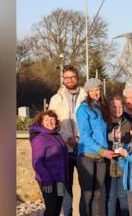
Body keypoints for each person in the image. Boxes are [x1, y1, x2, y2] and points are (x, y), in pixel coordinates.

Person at [48, 65, 87, 216]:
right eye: (67, 77)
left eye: (73, 77)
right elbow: (51, 123)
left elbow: (91, 122)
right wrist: (66, 139)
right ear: (63, 79)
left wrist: (78, 138)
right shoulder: (55, 99)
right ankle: (67, 214)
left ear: (78, 77)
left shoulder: (86, 96)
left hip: (83, 147)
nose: (70, 80)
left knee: (86, 186)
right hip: (64, 149)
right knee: (65, 187)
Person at [76, 78, 114, 216]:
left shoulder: (101, 107)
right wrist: (102, 151)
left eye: (97, 89)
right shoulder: (83, 109)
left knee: (100, 194)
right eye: (92, 90)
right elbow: (85, 137)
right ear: (87, 92)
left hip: (101, 157)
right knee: (88, 194)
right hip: (87, 156)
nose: (95, 93)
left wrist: (112, 136)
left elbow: (101, 133)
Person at [29, 110, 68, 216]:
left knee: (57, 208)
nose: (50, 122)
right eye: (46, 120)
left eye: (52, 119)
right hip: (48, 181)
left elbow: (62, 156)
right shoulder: (39, 138)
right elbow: (37, 161)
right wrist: (47, 179)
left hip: (60, 180)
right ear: (41, 122)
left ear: (56, 121)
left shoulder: (57, 135)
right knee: (51, 209)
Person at [106, 95, 131, 216]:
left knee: (123, 196)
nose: (118, 109)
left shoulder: (128, 123)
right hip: (108, 165)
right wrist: (108, 137)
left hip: (122, 164)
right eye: (114, 106)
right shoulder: (104, 122)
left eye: (121, 106)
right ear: (109, 107)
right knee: (110, 197)